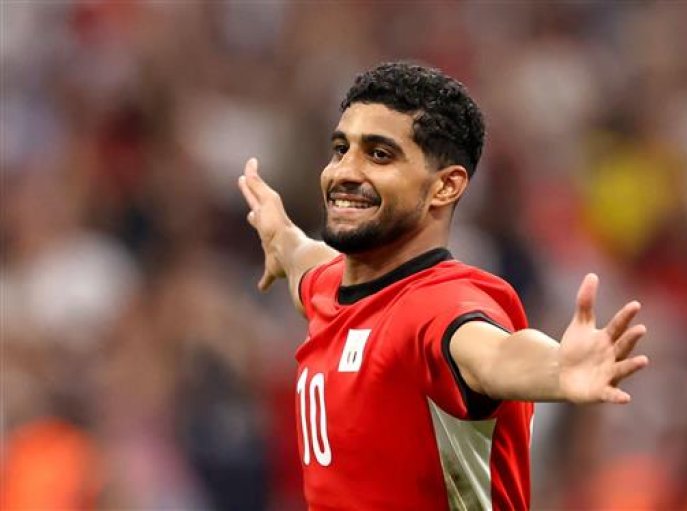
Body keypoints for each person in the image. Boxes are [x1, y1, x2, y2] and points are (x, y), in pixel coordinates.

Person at [238, 62, 648, 510]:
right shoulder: (332, 287)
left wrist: (557, 369)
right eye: (341, 149)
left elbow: (493, 354)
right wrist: (279, 236)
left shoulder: (438, 306)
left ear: (446, 187)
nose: (345, 171)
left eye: (379, 155)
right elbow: (304, 259)